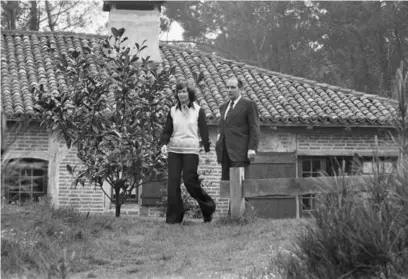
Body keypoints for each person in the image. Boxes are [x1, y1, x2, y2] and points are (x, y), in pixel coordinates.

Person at [160, 82, 216, 224]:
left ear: (189, 93)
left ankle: (208, 208)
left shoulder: (198, 110)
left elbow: (204, 131)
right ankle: (174, 218)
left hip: (191, 150)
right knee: (173, 183)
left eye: (184, 91)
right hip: (175, 150)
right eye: (179, 92)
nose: (181, 94)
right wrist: (164, 144)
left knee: (190, 181)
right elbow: (167, 130)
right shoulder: (172, 111)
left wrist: (208, 149)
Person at [215, 77, 261, 181]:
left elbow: (254, 128)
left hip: (240, 153)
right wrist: (219, 139)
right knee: (227, 185)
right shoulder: (223, 107)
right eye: (227, 87)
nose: (229, 90)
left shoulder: (248, 105)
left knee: (240, 185)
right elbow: (222, 126)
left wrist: (252, 148)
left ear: (240, 89)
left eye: (233, 87)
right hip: (225, 153)